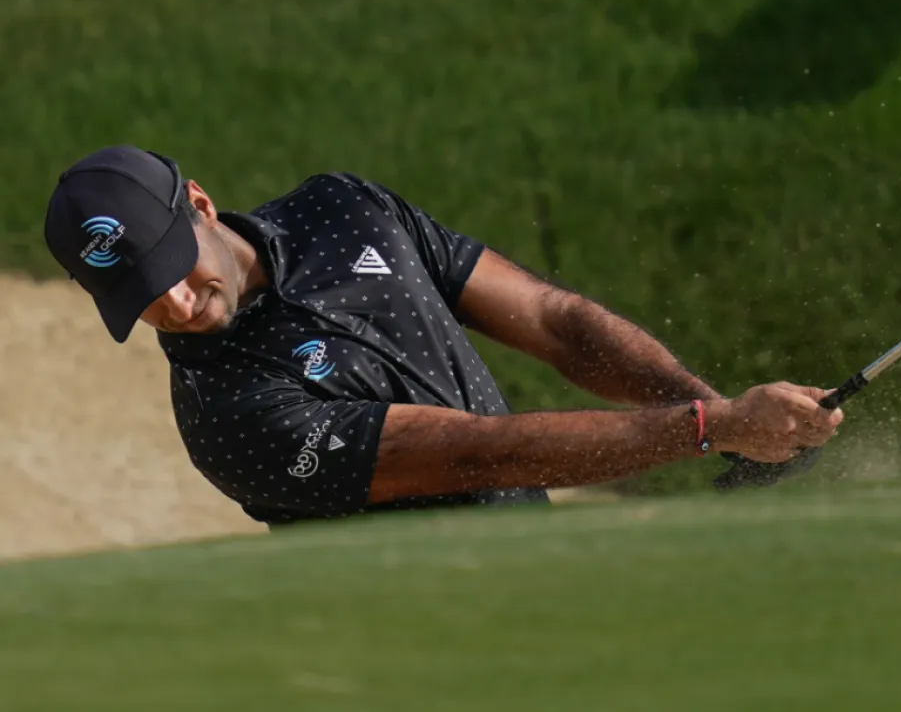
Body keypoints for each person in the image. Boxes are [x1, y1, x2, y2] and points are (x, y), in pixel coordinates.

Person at [43, 145, 840, 527]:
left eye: (174, 265)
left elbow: (558, 325)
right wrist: (715, 428)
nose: (178, 303)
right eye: (141, 297)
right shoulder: (226, 413)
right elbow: (480, 453)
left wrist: (717, 413)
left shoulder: (340, 211)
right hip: (414, 660)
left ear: (202, 205)